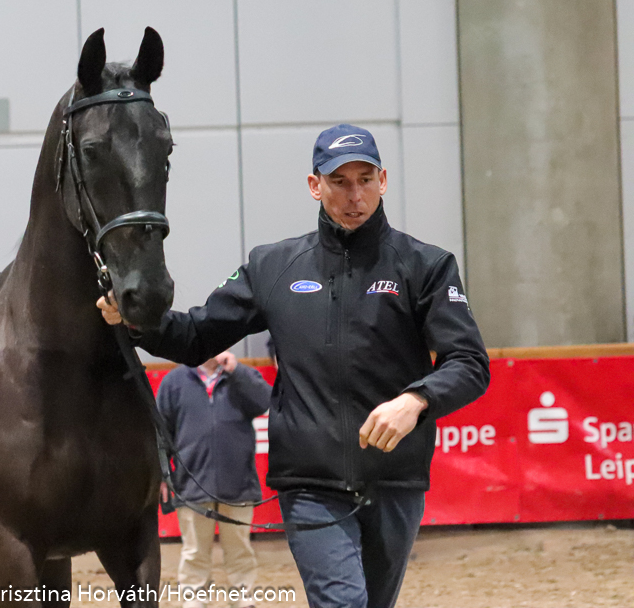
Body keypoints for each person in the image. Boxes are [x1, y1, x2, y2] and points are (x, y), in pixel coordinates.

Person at [99, 124, 490, 608]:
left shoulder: (426, 266)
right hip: (309, 485)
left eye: (365, 180)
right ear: (314, 186)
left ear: (383, 181)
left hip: (395, 482)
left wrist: (416, 401)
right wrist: (136, 320)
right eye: (339, 182)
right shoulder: (272, 266)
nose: (354, 195)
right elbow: (197, 335)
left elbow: (469, 362)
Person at [157, 351, 270, 608]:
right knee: (194, 551)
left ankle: (242, 597)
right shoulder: (173, 382)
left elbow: (265, 401)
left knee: (240, 549)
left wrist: (238, 371)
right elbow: (161, 432)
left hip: (238, 483)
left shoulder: (240, 376)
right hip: (191, 483)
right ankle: (194, 597)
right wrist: (162, 474)